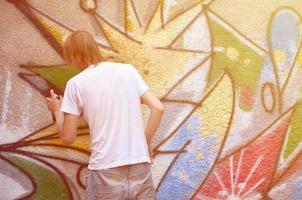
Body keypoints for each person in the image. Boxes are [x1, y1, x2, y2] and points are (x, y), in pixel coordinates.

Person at [46, 30, 164, 200]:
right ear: (95, 48)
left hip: (105, 169)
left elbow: (67, 137)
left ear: (72, 55)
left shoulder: (76, 84)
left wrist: (57, 111)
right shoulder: (128, 71)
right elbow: (158, 108)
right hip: (140, 166)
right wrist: (146, 142)